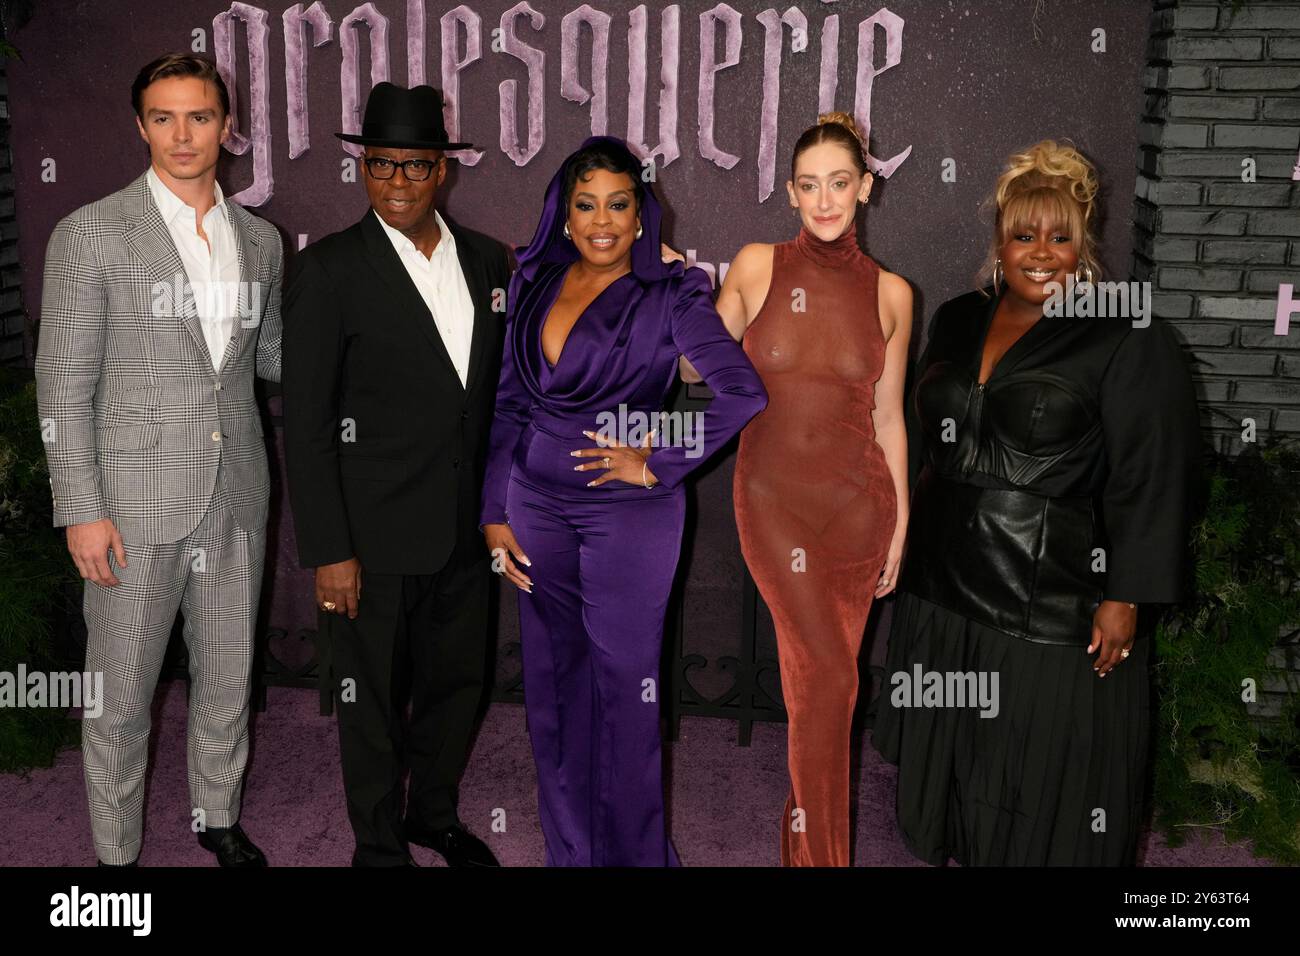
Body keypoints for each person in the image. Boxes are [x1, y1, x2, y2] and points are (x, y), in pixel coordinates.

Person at [871, 140, 1201, 865]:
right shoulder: (957, 318)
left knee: (1040, 769)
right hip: (944, 584)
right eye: (1024, 235)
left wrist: (1128, 596)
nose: (1041, 253)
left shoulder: (1126, 334)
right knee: (958, 748)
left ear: (1084, 243)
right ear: (1000, 240)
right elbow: (925, 440)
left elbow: (1150, 476)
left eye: (1060, 237)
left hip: (1049, 599)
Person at [481, 135, 767, 866]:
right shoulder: (536, 279)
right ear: (564, 214)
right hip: (534, 508)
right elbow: (510, 406)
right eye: (586, 205)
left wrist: (656, 460)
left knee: (626, 699)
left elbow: (741, 392)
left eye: (618, 203)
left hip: (628, 520)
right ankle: (571, 854)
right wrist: (493, 512)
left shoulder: (674, 292)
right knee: (553, 691)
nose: (601, 220)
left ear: (642, 214)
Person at [34, 53, 282, 867]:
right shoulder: (92, 232)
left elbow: (273, 358)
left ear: (226, 126)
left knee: (226, 678)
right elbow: (62, 386)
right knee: (119, 699)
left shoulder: (262, 240)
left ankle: (217, 814)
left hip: (236, 492)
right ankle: (115, 852)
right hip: (129, 504)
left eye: (200, 116)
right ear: (141, 126)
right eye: (165, 117)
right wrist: (80, 508)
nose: (184, 135)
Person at [282, 83, 509, 867]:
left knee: (455, 688)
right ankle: (378, 846)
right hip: (369, 540)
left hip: (463, 530)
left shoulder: (488, 262)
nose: (399, 182)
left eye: (415, 165)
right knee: (370, 701)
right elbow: (306, 424)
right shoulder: (329, 270)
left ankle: (432, 816)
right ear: (362, 169)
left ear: (441, 170)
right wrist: (329, 550)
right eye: (382, 165)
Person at [680, 112, 912, 866]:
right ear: (789, 192)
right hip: (774, 505)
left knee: (825, 694)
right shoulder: (756, 265)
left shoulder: (894, 294)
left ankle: (801, 845)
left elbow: (889, 419)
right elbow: (693, 372)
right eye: (809, 185)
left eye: (839, 183)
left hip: (858, 511)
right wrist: (686, 290)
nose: (824, 200)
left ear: (865, 189)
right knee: (830, 683)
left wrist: (901, 527)